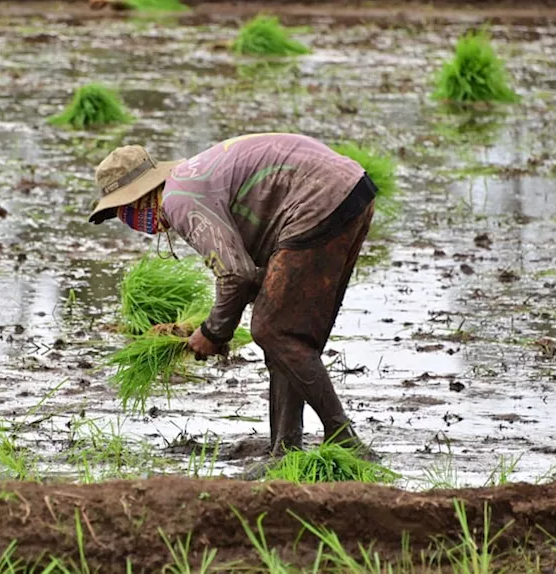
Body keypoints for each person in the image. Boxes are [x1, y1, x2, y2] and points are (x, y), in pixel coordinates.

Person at [88, 132, 378, 461]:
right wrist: (220, 318)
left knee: (274, 331)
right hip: (349, 191)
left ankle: (342, 438)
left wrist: (213, 332)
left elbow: (235, 274)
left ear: (138, 199)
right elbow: (253, 277)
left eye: (123, 214)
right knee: (284, 338)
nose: (129, 223)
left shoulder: (178, 199)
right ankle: (285, 451)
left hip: (320, 199)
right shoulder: (192, 180)